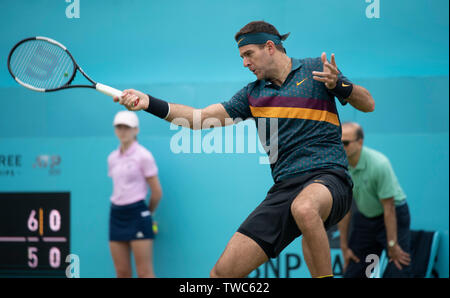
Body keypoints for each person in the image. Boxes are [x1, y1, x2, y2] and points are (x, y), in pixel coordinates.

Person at [114, 21, 375, 278]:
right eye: (242, 57)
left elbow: (368, 104)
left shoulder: (316, 69)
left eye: (248, 54)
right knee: (221, 274)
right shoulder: (251, 96)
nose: (245, 63)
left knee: (305, 208)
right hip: (286, 187)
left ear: (270, 47)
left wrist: (340, 85)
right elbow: (198, 118)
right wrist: (148, 102)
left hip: (330, 177)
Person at [338, 122, 411, 278]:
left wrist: (392, 243)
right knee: (353, 272)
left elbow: (389, 207)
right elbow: (345, 210)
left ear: (360, 142)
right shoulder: (339, 168)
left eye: (345, 143)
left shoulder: (379, 164)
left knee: (398, 268)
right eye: (338, 142)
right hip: (366, 218)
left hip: (394, 214)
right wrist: (344, 246)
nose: (341, 147)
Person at [107, 110, 163, 278]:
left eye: (127, 127)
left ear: (136, 130)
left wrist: (148, 214)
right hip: (116, 215)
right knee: (122, 273)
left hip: (138, 214)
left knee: (144, 273)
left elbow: (157, 192)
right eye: (119, 127)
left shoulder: (143, 156)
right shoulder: (112, 158)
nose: (122, 131)